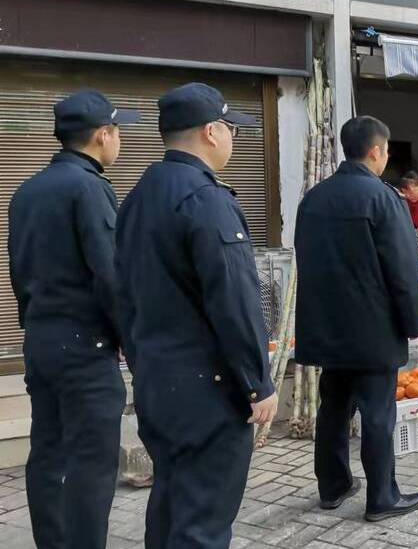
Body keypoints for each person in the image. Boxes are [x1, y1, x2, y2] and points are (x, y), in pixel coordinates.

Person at [115, 83, 278, 549]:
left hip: (157, 384)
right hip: (207, 392)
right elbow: (234, 299)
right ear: (211, 131)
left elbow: (119, 290)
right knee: (202, 520)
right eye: (232, 130)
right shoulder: (206, 199)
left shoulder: (137, 197)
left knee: (170, 501)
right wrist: (257, 383)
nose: (233, 139)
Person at [7, 90, 138, 549]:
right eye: (119, 131)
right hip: (85, 348)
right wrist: (132, 343)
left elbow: (19, 269)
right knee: (91, 462)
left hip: (42, 341)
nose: (119, 141)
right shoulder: (90, 187)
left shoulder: (28, 190)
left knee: (47, 453)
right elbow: (110, 275)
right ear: (103, 135)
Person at [294, 116, 418, 521]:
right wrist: (414, 324)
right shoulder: (384, 199)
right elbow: (404, 271)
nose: (386, 157)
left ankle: (333, 486)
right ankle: (382, 497)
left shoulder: (313, 199)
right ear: (375, 151)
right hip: (373, 329)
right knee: (376, 414)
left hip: (328, 328)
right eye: (386, 151)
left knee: (333, 407)